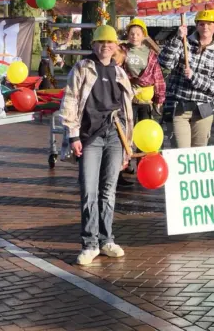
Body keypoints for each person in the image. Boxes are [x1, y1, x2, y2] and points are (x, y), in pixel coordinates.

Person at [59, 24, 134, 265]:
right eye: (101, 42)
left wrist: (127, 146)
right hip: (89, 136)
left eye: (110, 42)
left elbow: (127, 111)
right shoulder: (82, 68)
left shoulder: (120, 72)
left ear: (116, 47)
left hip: (115, 136)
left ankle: (106, 239)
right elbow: (70, 100)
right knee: (89, 190)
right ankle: (89, 243)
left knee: (108, 190)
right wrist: (73, 136)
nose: (106, 46)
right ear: (93, 45)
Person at [159, 10, 214, 148]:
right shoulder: (184, 44)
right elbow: (165, 62)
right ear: (196, 26)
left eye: (209, 24)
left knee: (198, 156)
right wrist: (177, 38)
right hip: (179, 108)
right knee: (181, 153)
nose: (205, 27)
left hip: (203, 111)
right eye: (202, 24)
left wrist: (194, 77)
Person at [118, 18, 165, 188]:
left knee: (143, 136)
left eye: (138, 33)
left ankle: (142, 168)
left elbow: (157, 76)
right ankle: (122, 168)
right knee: (126, 134)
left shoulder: (150, 54)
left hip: (145, 100)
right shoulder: (121, 51)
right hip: (127, 99)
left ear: (143, 35)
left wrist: (159, 98)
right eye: (131, 33)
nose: (134, 36)